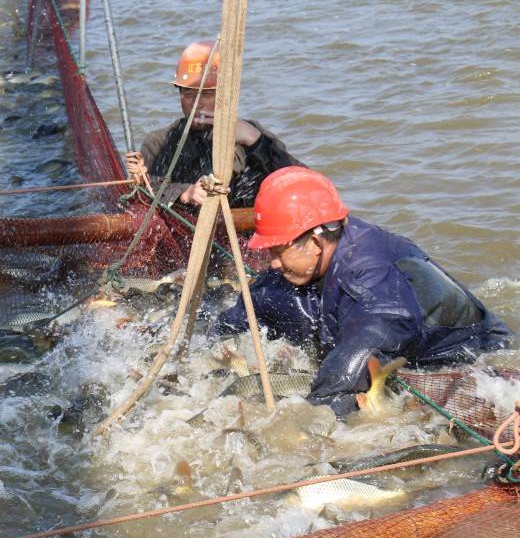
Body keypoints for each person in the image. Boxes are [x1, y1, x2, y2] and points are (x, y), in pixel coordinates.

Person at [213, 166, 512, 416]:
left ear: (316, 244)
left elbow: (370, 339)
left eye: (278, 251)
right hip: (366, 322)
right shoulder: (319, 255)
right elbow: (260, 299)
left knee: (339, 400)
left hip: (465, 357)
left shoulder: (368, 275)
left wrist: (312, 415)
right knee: (269, 297)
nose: (273, 263)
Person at [126, 39, 302, 209]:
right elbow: (143, 193)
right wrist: (184, 193)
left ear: (226, 96)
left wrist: (255, 140)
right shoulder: (160, 142)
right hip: (190, 229)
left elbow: (299, 181)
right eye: (188, 95)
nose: (197, 104)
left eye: (207, 95)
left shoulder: (250, 133)